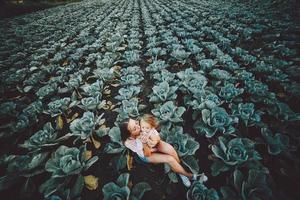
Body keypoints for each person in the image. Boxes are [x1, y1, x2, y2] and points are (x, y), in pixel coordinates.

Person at [120, 117, 207, 187]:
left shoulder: (142, 125)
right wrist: (144, 143)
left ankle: (179, 171)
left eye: (136, 123)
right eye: (134, 129)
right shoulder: (129, 142)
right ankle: (189, 176)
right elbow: (147, 154)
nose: (138, 127)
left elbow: (158, 138)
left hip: (154, 144)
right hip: (146, 154)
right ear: (130, 136)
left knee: (171, 150)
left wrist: (154, 142)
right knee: (170, 159)